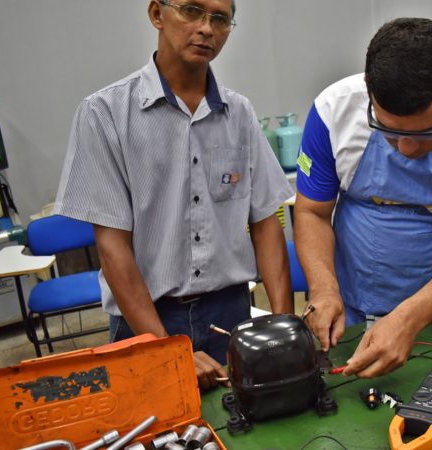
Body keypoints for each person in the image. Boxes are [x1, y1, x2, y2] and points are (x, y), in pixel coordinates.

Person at [54, 0, 294, 389]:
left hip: (230, 313)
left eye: (220, 19)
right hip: (145, 320)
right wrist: (165, 348)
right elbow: (113, 248)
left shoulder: (240, 113)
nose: (206, 28)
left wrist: (284, 328)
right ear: (156, 14)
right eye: (191, 11)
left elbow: (266, 224)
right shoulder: (105, 113)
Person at [294, 18, 432, 379]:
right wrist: (324, 291)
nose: (405, 148)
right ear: (370, 93)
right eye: (387, 130)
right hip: (350, 311)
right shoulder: (332, 111)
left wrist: (409, 317)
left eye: (427, 133)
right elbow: (312, 213)